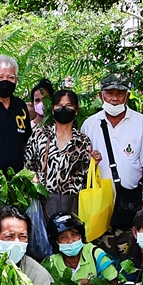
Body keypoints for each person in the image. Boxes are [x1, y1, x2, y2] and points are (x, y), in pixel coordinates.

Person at [81, 73, 143, 230]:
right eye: (109, 93)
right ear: (101, 96)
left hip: (130, 201)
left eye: (120, 94)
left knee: (128, 248)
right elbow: (82, 164)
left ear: (127, 96)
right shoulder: (89, 125)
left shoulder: (142, 123)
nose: (114, 98)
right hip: (98, 203)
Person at [23, 88, 93, 217]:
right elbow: (28, 164)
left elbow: (86, 175)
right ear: (53, 109)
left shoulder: (82, 141)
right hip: (44, 199)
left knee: (70, 235)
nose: (63, 109)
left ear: (76, 109)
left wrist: (96, 160)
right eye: (59, 106)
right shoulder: (40, 134)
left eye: (68, 106)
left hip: (73, 202)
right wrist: (35, 182)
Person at [41, 212, 120, 285]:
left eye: (74, 234)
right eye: (63, 237)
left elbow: (114, 284)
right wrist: (78, 284)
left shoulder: (95, 254)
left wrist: (94, 284)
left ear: (81, 235)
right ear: (56, 242)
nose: (71, 240)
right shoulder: (51, 264)